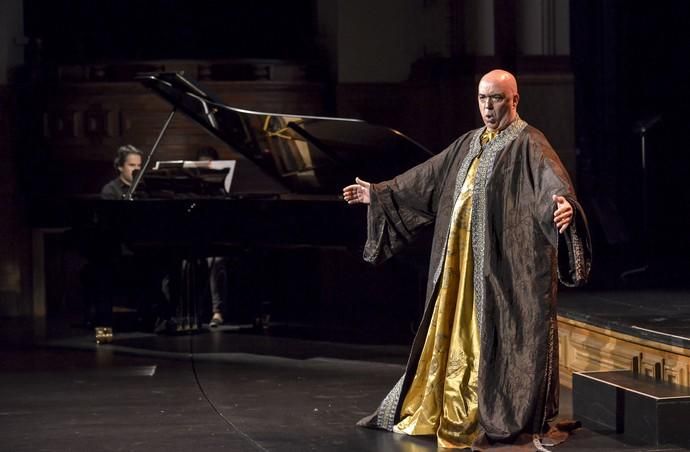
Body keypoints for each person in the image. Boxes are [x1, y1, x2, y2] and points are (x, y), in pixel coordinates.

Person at [343, 69, 591, 450]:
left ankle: (488, 406)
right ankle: (447, 399)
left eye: (496, 99)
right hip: (458, 267)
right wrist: (379, 193)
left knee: (491, 333)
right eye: (482, 99)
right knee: (452, 331)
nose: (488, 108)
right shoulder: (468, 143)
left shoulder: (529, 142)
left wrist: (563, 206)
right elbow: (425, 178)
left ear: (514, 100)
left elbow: (553, 182)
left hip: (502, 268)